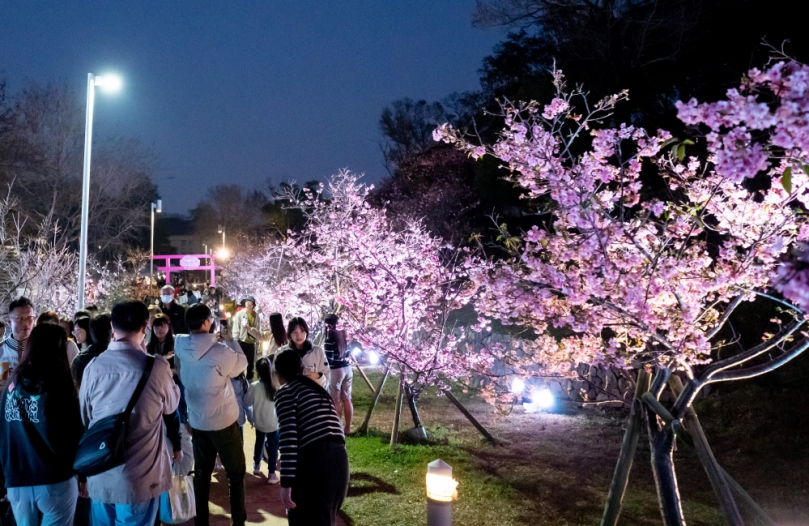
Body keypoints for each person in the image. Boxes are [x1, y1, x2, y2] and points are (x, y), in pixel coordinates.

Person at [79, 301, 180, 526]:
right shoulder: (157, 367)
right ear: (145, 327)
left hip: (101, 471)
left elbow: (86, 418)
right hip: (140, 477)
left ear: (112, 328)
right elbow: (171, 407)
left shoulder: (93, 367)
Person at [0, 323, 84, 526]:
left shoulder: (12, 383)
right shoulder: (60, 384)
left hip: (17, 480)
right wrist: (82, 475)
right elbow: (74, 435)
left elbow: (3, 434)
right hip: (55, 478)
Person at [174, 304, 248, 526]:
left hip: (197, 420)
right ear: (207, 323)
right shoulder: (220, 351)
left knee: (202, 475)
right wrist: (231, 340)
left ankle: (201, 521)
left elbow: (179, 372)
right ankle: (238, 520)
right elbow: (241, 365)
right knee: (235, 474)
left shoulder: (180, 346)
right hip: (224, 422)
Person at [274, 350, 349, 525]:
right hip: (339, 462)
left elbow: (288, 440)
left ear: (278, 374)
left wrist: (286, 483)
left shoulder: (286, 392)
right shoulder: (317, 390)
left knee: (301, 519)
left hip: (316, 462)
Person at [245, 357, 279, 484]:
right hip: (273, 423)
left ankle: (257, 465)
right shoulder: (276, 385)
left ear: (257, 370)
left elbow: (246, 402)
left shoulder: (254, 386)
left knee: (259, 443)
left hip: (259, 422)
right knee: (273, 448)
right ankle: (271, 473)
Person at [277, 317, 330, 389]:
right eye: (295, 332)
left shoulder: (317, 352)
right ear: (289, 334)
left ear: (306, 332)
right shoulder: (281, 352)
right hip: (290, 395)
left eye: (302, 331)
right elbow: (275, 377)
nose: (299, 336)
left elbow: (327, 377)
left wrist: (317, 376)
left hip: (312, 395)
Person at [323, 314, 353, 434]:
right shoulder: (345, 336)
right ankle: (348, 428)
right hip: (347, 369)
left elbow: (329, 359)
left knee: (335, 400)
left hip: (336, 370)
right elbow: (348, 354)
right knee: (347, 399)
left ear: (327, 324)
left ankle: (338, 427)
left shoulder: (330, 338)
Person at [71, 314, 112, 388]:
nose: (76, 334)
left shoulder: (79, 359)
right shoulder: (116, 358)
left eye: (79, 331)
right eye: (75, 331)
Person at [2, 297, 36, 386]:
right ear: (9, 322)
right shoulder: (2, 350)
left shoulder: (41, 349)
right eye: (19, 318)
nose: (25, 323)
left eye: (29, 318)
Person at [231, 296, 261, 379]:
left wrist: (257, 340)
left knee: (250, 364)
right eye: (246, 301)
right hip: (242, 341)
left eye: (249, 302)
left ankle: (249, 380)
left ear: (253, 304)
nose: (247, 303)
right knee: (240, 362)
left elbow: (258, 329)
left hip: (251, 343)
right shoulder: (240, 314)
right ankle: (239, 380)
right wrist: (235, 340)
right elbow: (236, 327)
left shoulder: (256, 316)